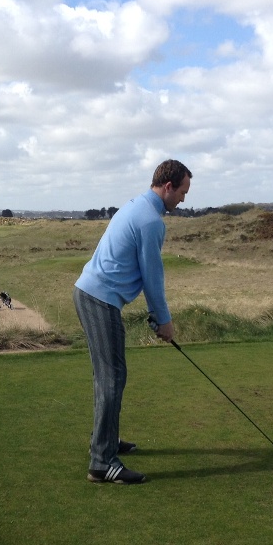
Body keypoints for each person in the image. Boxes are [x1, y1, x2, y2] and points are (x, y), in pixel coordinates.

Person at [73, 159, 192, 484]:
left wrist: (156, 316)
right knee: (112, 378)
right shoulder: (150, 221)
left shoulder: (137, 205)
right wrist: (164, 320)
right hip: (99, 298)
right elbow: (153, 278)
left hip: (90, 294)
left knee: (107, 376)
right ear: (168, 187)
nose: (183, 199)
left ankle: (105, 443)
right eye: (182, 192)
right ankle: (102, 462)